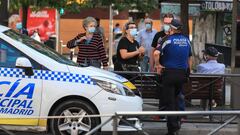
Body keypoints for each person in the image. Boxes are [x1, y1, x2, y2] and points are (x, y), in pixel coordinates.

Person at [154, 19, 192, 135]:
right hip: (182, 74)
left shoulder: (167, 40)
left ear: (172, 28)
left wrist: (158, 65)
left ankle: (172, 129)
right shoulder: (186, 40)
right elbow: (190, 57)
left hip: (169, 74)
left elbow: (156, 53)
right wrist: (187, 70)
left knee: (170, 102)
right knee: (176, 100)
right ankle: (177, 123)